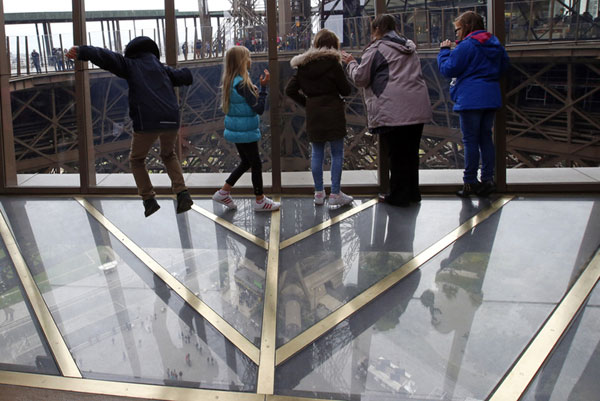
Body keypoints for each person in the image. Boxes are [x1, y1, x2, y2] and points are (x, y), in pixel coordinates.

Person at [66, 36, 194, 217]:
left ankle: (149, 200)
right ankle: (182, 193)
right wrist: (185, 72)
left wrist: (82, 51)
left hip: (147, 121)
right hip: (171, 119)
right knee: (168, 154)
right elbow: (185, 76)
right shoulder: (162, 69)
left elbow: (106, 57)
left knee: (137, 160)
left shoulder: (130, 65)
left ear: (132, 53)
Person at [342, 14, 432, 207]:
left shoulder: (377, 49)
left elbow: (360, 78)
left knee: (397, 154)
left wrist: (350, 62)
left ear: (376, 30)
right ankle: (413, 192)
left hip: (394, 108)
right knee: (411, 153)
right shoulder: (409, 47)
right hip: (417, 104)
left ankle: (398, 196)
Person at [437, 11, 509, 198]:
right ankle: (487, 180)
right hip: (491, 97)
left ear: (467, 27)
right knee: (485, 138)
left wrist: (444, 51)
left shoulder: (467, 45)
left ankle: (470, 183)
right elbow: (504, 67)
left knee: (470, 141)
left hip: (470, 99)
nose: (457, 34)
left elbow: (448, 69)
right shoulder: (496, 44)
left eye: (458, 29)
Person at [285, 29, 354, 207]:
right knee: (337, 153)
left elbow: (289, 90)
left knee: (317, 153)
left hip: (314, 113)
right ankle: (335, 194)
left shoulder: (303, 65)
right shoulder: (333, 64)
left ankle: (318, 193)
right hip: (333, 111)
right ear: (334, 46)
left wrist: (308, 103)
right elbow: (346, 90)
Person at [212, 46, 280, 212]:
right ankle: (260, 200)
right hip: (246, 130)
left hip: (236, 129)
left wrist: (253, 92)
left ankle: (224, 192)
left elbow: (242, 101)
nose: (250, 61)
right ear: (242, 61)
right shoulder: (243, 83)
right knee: (255, 163)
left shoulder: (231, 81)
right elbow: (259, 109)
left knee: (246, 162)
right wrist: (263, 89)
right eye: (248, 58)